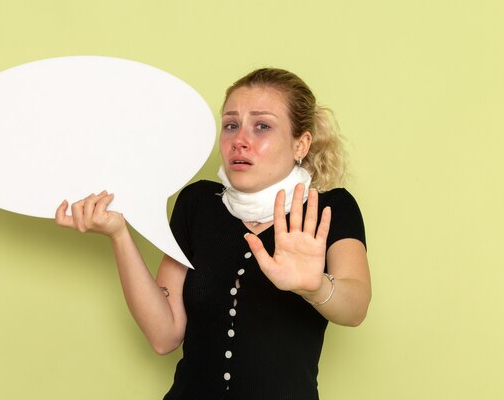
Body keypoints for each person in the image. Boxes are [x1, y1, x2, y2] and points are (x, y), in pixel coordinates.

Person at [55, 68, 371, 400]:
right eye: (231, 125)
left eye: (262, 126)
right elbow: (164, 336)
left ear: (301, 144)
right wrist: (119, 235)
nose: (240, 140)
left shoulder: (329, 209)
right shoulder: (197, 203)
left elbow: (355, 308)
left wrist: (314, 285)